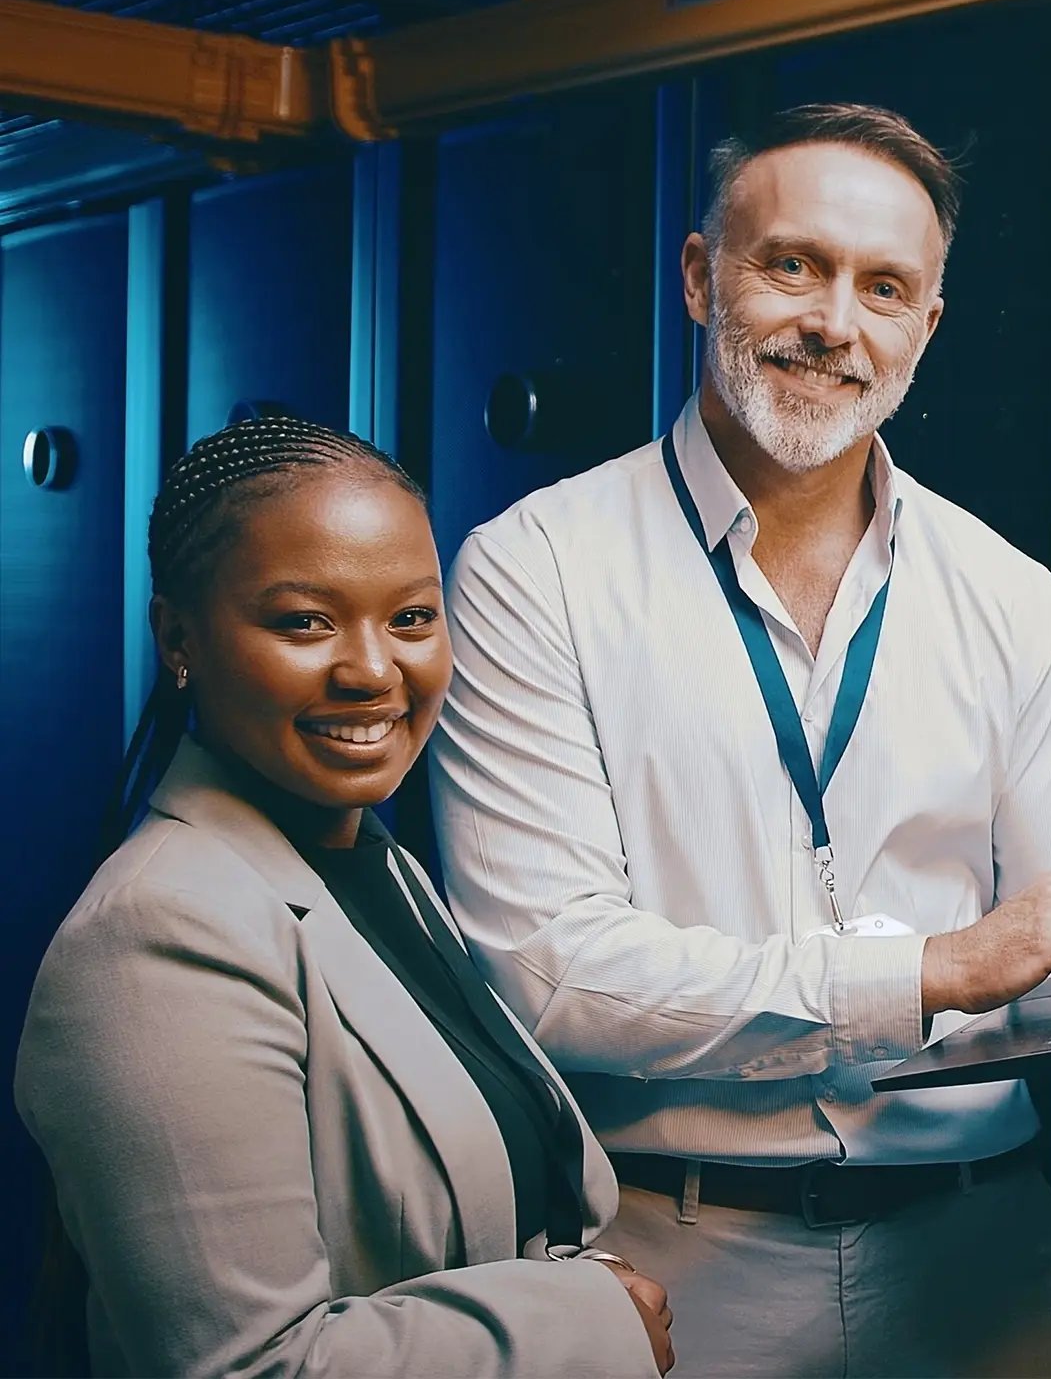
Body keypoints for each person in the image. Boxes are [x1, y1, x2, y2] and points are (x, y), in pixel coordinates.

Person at [430, 102, 1051, 1376]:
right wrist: (929, 969)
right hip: (670, 1270)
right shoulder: (533, 571)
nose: (832, 322)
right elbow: (549, 971)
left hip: (974, 1272)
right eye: (790, 264)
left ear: (927, 325)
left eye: (883, 286)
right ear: (701, 278)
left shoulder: (1010, 595)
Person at [15, 418, 674, 1378]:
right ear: (178, 637)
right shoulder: (157, 937)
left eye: (411, 618)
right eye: (304, 622)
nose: (374, 672)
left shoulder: (381, 868)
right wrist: (590, 1323)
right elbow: (248, 1368)